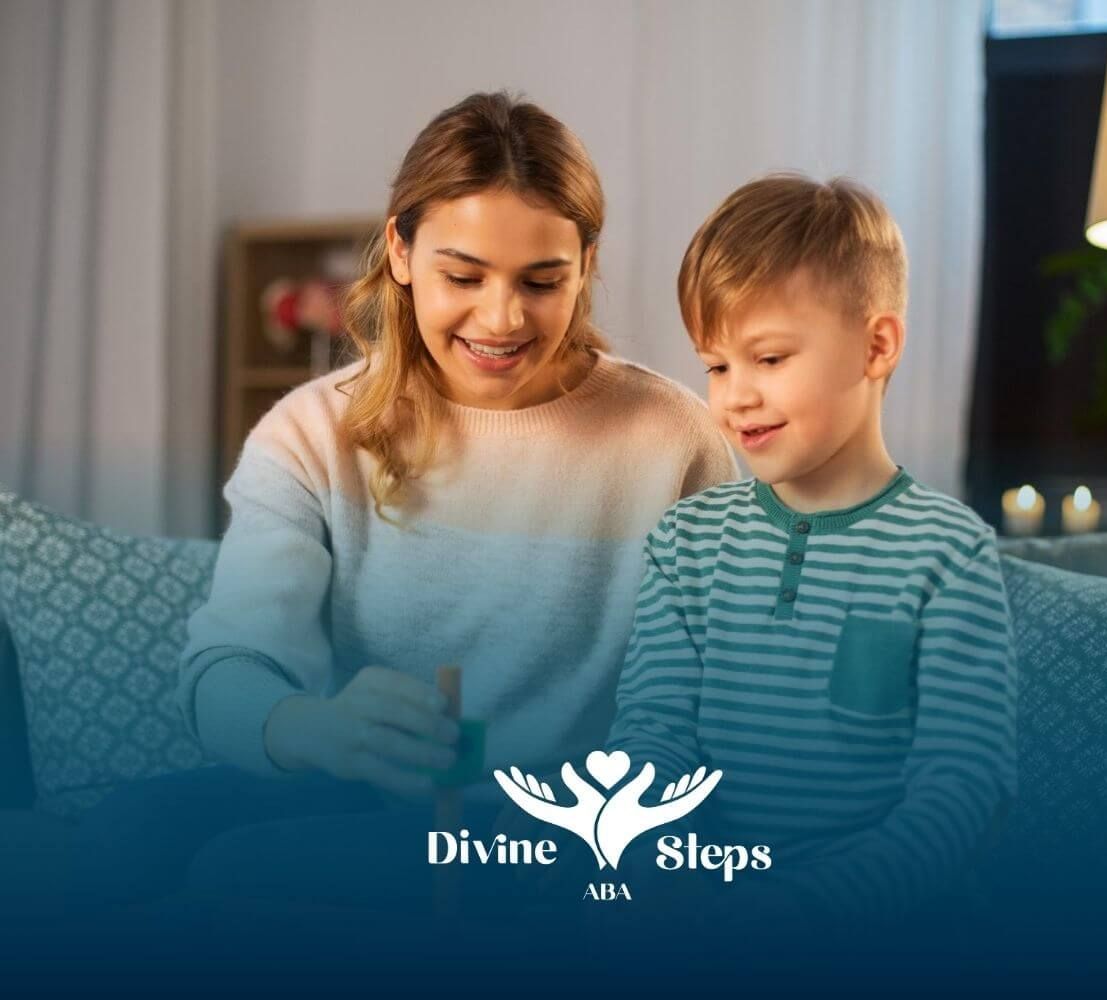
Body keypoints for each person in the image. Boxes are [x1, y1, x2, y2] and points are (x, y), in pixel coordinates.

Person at [74, 92, 735, 920]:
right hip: (363, 793)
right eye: (463, 276)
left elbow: (723, 694)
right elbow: (226, 671)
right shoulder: (309, 433)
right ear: (400, 251)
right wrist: (313, 727)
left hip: (557, 830)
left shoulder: (674, 438)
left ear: (586, 265)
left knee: (238, 874)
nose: (502, 318)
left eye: (542, 281)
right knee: (123, 833)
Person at [605, 174, 1017, 931]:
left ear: (876, 347)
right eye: (717, 365)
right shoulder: (685, 543)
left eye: (768, 359)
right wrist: (648, 857)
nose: (735, 396)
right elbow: (654, 733)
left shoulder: (949, 554)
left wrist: (807, 911)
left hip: (885, 927)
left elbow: (961, 793)